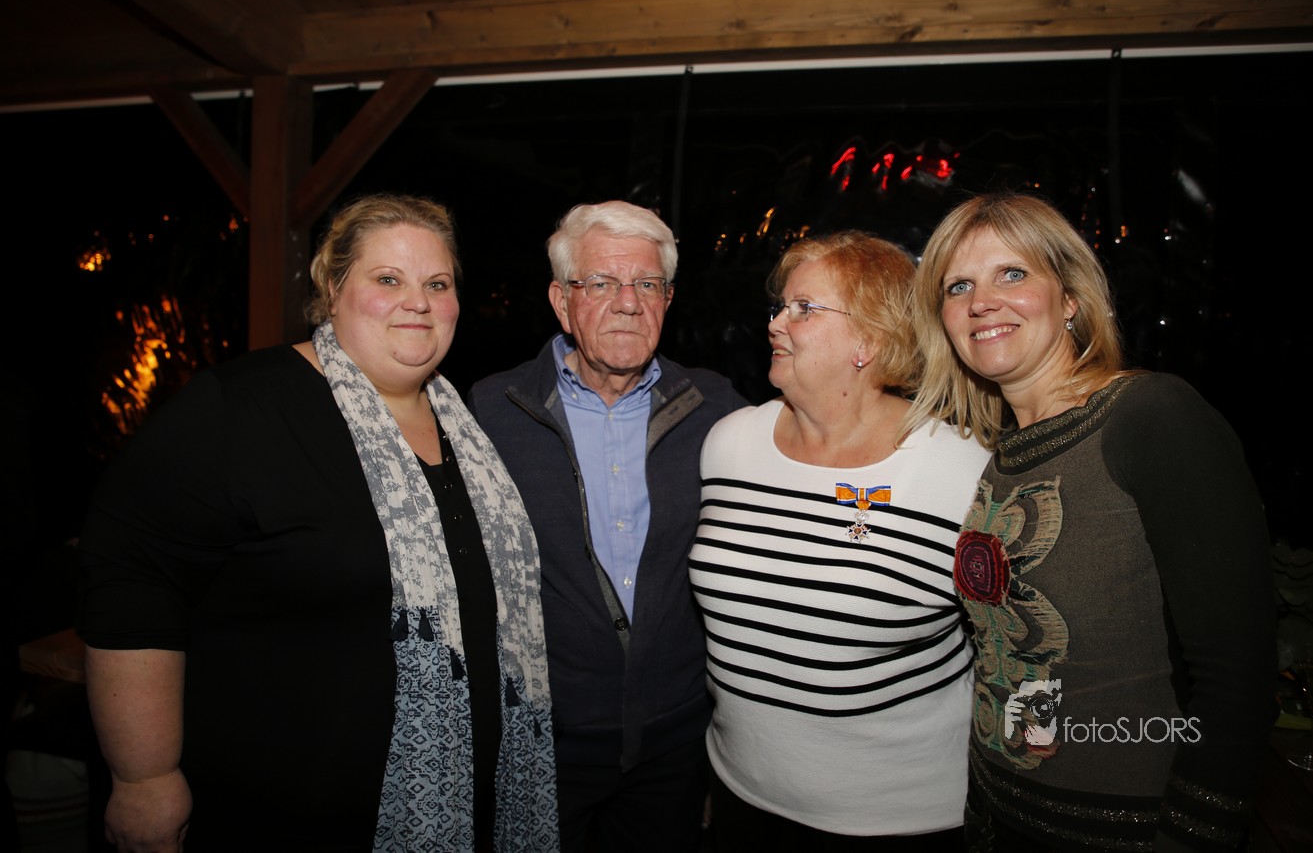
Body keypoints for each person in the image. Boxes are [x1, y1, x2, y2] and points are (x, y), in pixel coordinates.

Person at [76, 193, 558, 853]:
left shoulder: (465, 424)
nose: (417, 302)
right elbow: (132, 584)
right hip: (282, 811)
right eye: (387, 278)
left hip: (466, 805)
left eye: (437, 284)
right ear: (332, 289)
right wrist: (145, 775)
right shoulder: (240, 408)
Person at [906, 191, 1273, 851]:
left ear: (1070, 298)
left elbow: (1235, 678)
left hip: (1125, 830)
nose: (981, 301)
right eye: (958, 286)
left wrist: (1195, 835)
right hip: (999, 816)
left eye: (1011, 273)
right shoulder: (1001, 454)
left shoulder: (1151, 417)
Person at [688, 231, 990, 851]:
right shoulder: (729, 443)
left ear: (869, 341)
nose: (776, 323)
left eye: (804, 308)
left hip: (898, 819)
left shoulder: (962, 472)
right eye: (780, 306)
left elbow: (1017, 649)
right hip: (742, 793)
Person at [467, 200, 746, 852]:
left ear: (668, 299)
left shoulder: (717, 409)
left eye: (647, 283)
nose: (627, 302)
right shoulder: (489, 412)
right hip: (541, 741)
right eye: (600, 283)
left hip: (676, 743)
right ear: (561, 302)